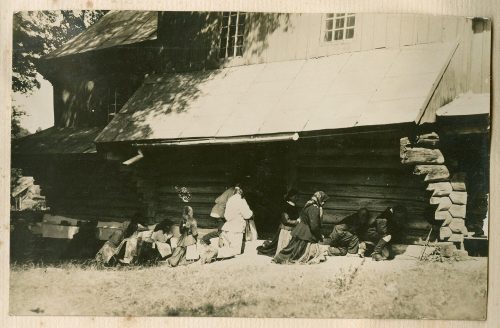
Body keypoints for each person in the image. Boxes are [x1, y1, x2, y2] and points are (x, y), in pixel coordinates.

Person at [273, 191, 329, 265]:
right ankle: (282, 258)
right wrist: (318, 235)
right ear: (319, 199)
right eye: (323, 201)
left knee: (293, 247)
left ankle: (280, 258)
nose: (324, 203)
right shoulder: (314, 208)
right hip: (306, 232)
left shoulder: (308, 205)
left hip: (300, 230)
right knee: (298, 250)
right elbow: (314, 226)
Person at [257, 189, 300, 256]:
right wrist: (297, 222)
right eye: (295, 196)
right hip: (285, 229)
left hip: (292, 229)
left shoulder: (295, 206)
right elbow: (285, 220)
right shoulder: (285, 206)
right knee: (276, 246)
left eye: (297, 196)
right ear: (290, 197)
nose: (297, 198)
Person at [217, 186, 253, 259]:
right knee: (235, 251)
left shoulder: (230, 200)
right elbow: (247, 215)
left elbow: (226, 216)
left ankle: (216, 253)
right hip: (236, 229)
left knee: (227, 249)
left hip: (227, 228)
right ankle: (215, 253)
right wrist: (252, 213)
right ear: (242, 192)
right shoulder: (241, 200)